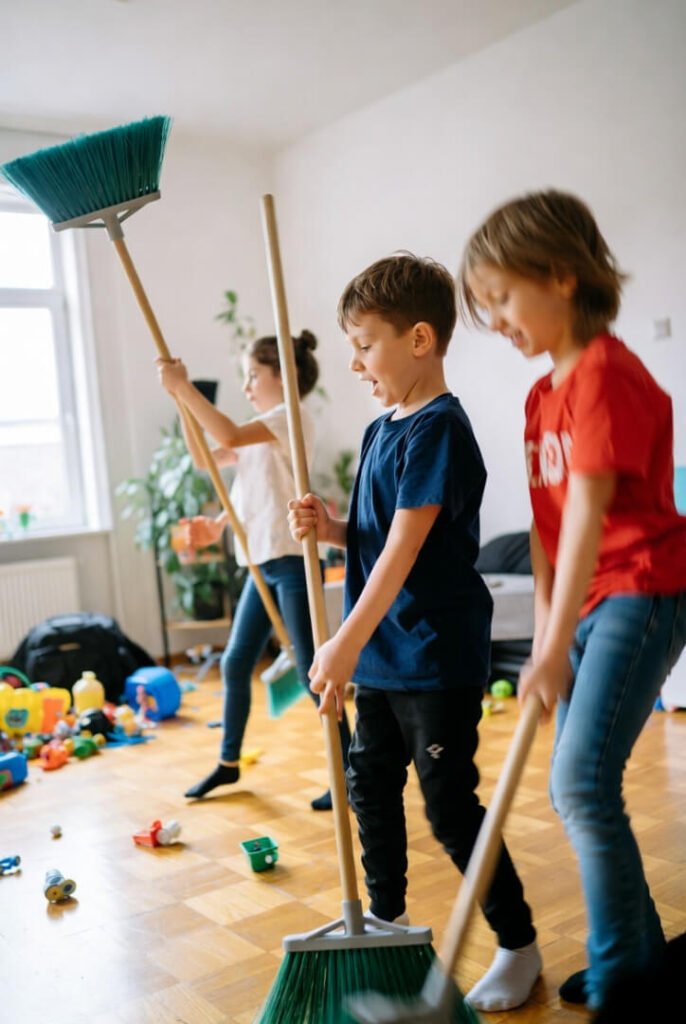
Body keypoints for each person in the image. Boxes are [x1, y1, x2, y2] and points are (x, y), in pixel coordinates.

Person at [288, 254, 541, 1012]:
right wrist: (331, 529)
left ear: (420, 338)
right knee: (369, 785)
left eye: (365, 344)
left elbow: (403, 556)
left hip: (434, 653)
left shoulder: (440, 431)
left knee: (449, 805)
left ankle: (519, 945)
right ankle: (387, 920)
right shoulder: (379, 429)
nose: (355, 362)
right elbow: (373, 536)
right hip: (385, 653)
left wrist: (342, 641)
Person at [456, 189, 686, 1013]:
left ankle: (625, 974)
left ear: (560, 275)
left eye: (501, 298)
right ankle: (644, 956)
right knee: (572, 786)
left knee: (584, 784)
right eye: (483, 308)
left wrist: (552, 648)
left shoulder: (606, 374)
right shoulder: (537, 398)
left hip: (643, 588)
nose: (496, 321)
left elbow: (590, 509)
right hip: (587, 599)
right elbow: (551, 532)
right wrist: (550, 624)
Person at [157, 330, 352, 811]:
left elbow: (225, 436)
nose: (245, 386)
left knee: (315, 670)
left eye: (252, 375)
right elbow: (207, 458)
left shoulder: (290, 418)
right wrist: (181, 401)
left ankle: (351, 771)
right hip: (261, 562)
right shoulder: (261, 429)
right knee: (235, 661)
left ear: (281, 377)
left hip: (290, 560)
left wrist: (187, 390)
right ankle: (228, 762)